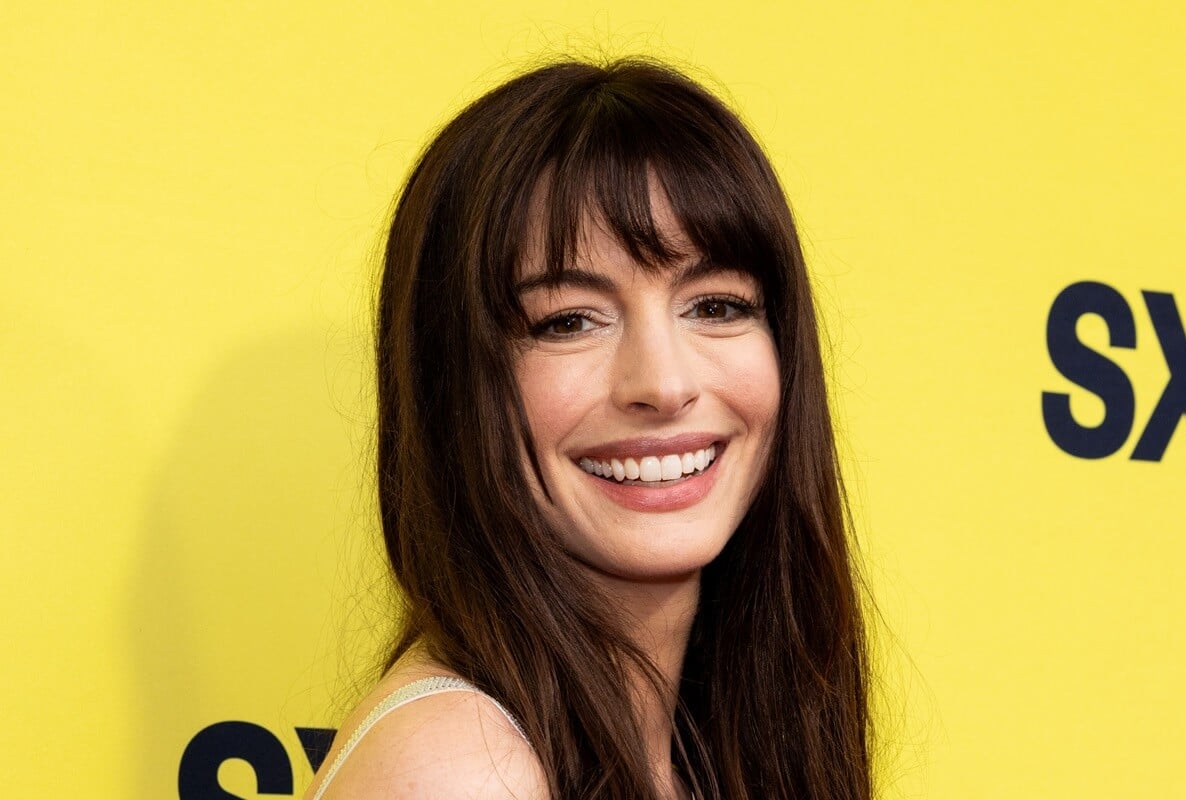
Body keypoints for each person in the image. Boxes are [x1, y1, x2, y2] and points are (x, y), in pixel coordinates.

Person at [305, 57, 873, 800]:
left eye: (717, 306)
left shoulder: (710, 747)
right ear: (455, 388)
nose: (665, 386)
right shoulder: (462, 770)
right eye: (569, 321)